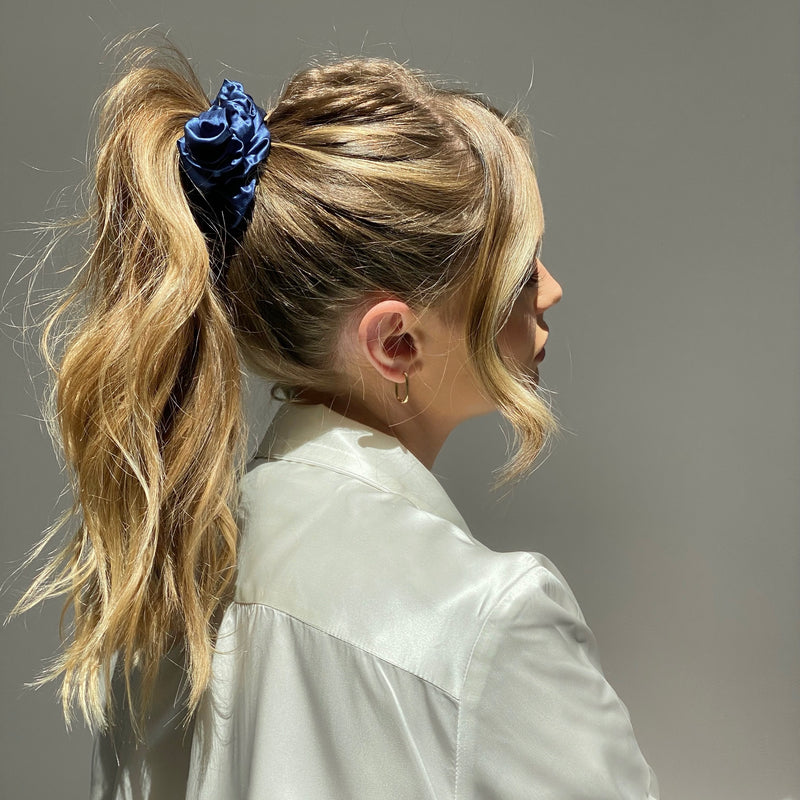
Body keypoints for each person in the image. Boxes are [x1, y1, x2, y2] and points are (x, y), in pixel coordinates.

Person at [10, 29, 659, 800]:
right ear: (395, 342)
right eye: (519, 270)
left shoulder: (167, 590)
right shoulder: (490, 620)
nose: (550, 290)